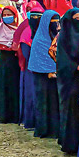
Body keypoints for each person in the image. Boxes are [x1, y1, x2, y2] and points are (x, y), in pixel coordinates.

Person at [55, 8, 79, 154]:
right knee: (70, 110)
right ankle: (70, 143)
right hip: (69, 79)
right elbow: (62, 59)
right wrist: (76, 67)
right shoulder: (63, 37)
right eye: (76, 18)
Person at [28, 10, 61, 139]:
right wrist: (48, 71)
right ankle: (42, 129)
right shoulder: (40, 39)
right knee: (42, 102)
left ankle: (55, 129)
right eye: (52, 22)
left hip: (56, 76)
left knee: (54, 102)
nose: (56, 24)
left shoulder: (58, 37)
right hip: (41, 76)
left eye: (57, 21)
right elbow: (39, 59)